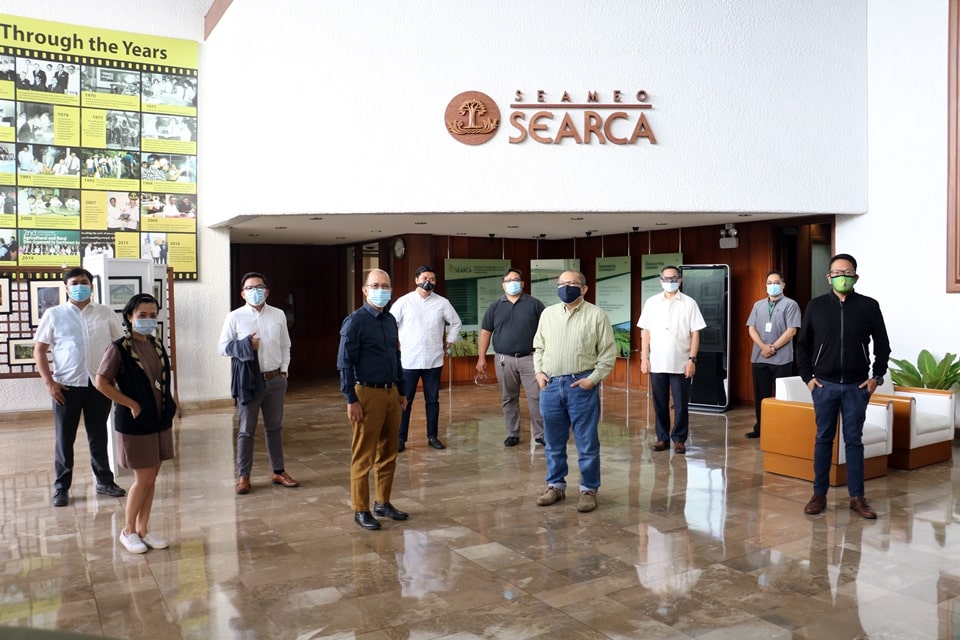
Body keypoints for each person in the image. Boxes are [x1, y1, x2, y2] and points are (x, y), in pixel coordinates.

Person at [795, 253, 890, 519]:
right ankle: (819, 494)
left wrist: (876, 378)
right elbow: (802, 346)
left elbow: (883, 346)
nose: (842, 277)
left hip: (855, 388)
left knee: (854, 442)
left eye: (847, 273)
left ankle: (857, 497)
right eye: (837, 273)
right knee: (823, 439)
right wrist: (808, 378)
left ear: (855, 276)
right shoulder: (815, 306)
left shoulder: (869, 306)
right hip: (823, 386)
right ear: (829, 277)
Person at [33, 268, 126, 507]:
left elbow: (119, 346)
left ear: (92, 286)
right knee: (64, 440)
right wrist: (49, 383)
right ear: (66, 287)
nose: (80, 286)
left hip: (99, 385)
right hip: (65, 387)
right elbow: (39, 350)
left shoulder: (105, 313)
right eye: (74, 283)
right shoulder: (54, 314)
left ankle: (105, 481)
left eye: (84, 282)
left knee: (99, 436)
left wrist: (116, 377)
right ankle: (61, 487)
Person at [94, 293, 176, 554]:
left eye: (153, 315)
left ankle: (143, 530)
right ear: (129, 317)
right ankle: (128, 530)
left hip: (159, 419)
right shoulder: (118, 348)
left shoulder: (157, 345)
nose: (148, 320)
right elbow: (101, 383)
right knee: (143, 478)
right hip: (135, 421)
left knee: (152, 478)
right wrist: (132, 404)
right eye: (142, 315)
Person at [533, 270, 616, 513]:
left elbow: (607, 354)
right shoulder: (548, 314)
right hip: (550, 385)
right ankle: (555, 485)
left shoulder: (597, 315)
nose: (565, 287)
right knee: (553, 441)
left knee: (587, 442)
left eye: (571, 283)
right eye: (561, 283)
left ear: (584, 288)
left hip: (581, 385)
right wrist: (539, 372)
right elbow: (539, 347)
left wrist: (592, 380)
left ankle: (588, 489)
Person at [337, 269, 409, 530]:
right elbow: (344, 362)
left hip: (391, 393)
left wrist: (401, 390)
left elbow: (395, 357)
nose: (382, 290)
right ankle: (360, 509)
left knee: (389, 452)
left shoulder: (389, 319)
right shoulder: (355, 321)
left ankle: (383, 503)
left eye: (386, 286)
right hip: (366, 394)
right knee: (364, 456)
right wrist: (350, 398)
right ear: (365, 290)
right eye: (376, 285)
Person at [218, 272, 299, 494]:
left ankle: (279, 471)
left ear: (267, 291)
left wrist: (284, 371)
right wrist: (246, 345)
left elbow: (285, 345)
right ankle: (244, 477)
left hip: (275, 380)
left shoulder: (278, 314)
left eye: (259, 287)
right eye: (250, 288)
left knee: (275, 428)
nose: (255, 291)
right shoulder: (235, 317)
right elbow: (223, 348)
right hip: (249, 382)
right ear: (243, 293)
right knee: (246, 430)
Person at [390, 265, 462, 451]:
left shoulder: (442, 302)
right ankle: (400, 438)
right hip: (409, 361)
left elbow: (455, 322)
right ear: (416, 280)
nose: (427, 282)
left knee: (433, 401)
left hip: (433, 360)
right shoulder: (404, 302)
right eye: (424, 278)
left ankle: (432, 436)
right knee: (405, 401)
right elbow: (390, 324)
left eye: (432, 279)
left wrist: (450, 341)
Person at [637, 266, 706, 455]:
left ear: (680, 280)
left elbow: (695, 333)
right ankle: (662, 438)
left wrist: (692, 359)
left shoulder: (689, 303)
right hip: (657, 362)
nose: (670, 281)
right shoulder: (651, 302)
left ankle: (679, 439)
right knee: (659, 402)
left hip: (682, 362)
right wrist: (644, 358)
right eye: (666, 279)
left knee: (681, 403)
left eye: (674, 278)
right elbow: (645, 332)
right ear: (660, 281)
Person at [476, 267, 546, 447]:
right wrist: (481, 357)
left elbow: (547, 331)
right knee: (508, 398)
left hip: (530, 359)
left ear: (522, 284)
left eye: (516, 280)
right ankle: (513, 433)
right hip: (503, 359)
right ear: (503, 285)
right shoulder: (495, 307)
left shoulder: (534, 304)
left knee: (537, 396)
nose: (512, 283)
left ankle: (541, 434)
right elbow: (485, 332)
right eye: (508, 280)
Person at [744, 270, 801, 438]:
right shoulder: (758, 305)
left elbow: (791, 331)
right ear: (765, 285)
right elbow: (751, 328)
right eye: (769, 283)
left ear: (783, 285)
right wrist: (763, 347)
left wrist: (773, 348)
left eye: (776, 283)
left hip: (781, 359)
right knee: (761, 395)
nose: (772, 286)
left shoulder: (791, 304)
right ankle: (761, 429)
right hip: (759, 356)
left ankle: (781, 430)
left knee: (782, 396)